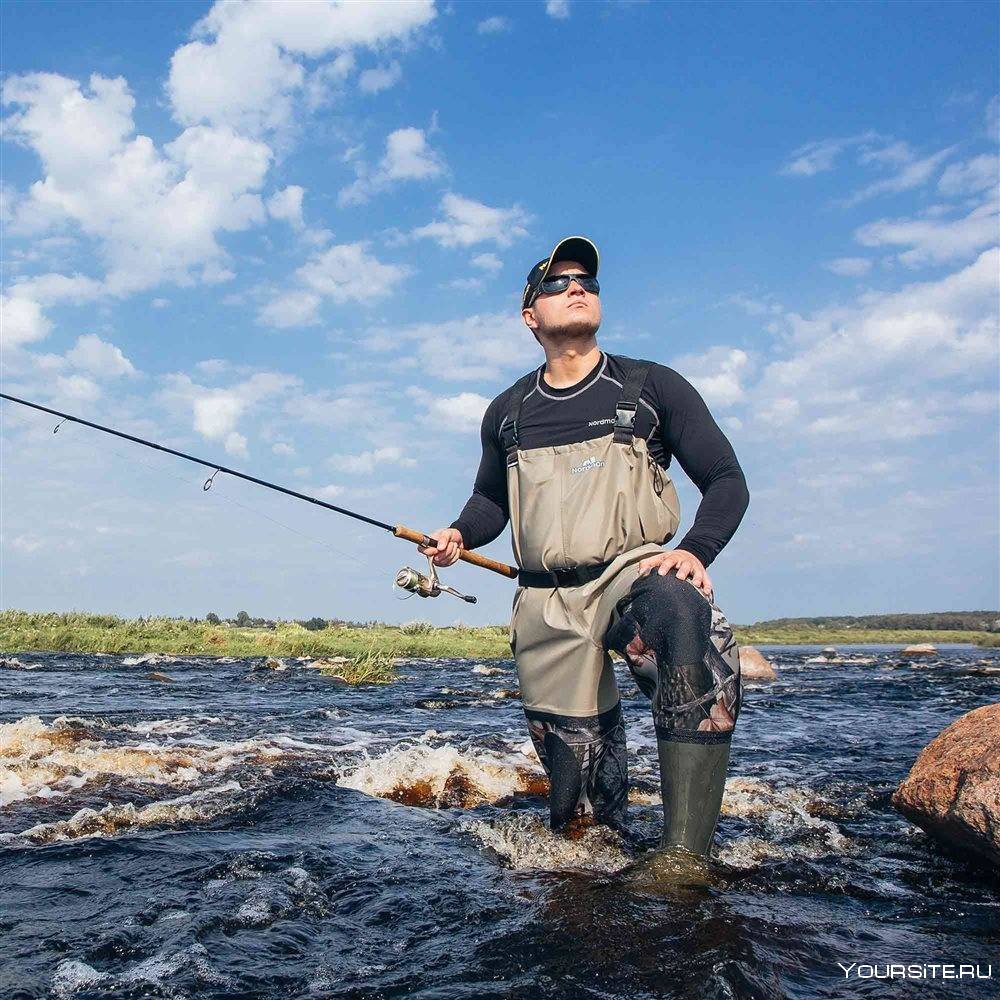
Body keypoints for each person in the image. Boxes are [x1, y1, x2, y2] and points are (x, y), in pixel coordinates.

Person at [420, 237, 749, 855]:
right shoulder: (506, 412)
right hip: (545, 604)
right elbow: (492, 500)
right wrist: (459, 534)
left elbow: (727, 481)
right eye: (557, 282)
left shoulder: (654, 386)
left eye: (587, 282)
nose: (577, 287)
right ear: (530, 318)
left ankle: (684, 860)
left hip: (630, 575)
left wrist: (696, 550)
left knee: (682, 613)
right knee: (581, 827)